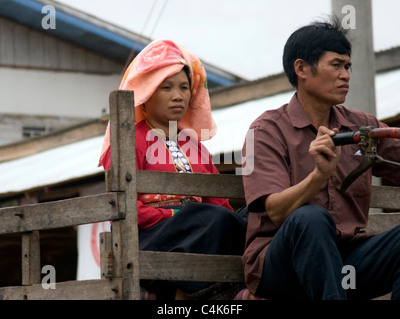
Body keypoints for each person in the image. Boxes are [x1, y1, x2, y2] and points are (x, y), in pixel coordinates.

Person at [240, 16, 400, 300]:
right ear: (301, 68)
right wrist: (318, 177)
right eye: (336, 65)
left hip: (346, 265)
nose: (346, 75)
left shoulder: (363, 127)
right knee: (311, 219)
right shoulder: (265, 131)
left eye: (348, 66)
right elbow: (276, 212)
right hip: (280, 266)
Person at [98, 39, 247, 300]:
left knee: (248, 219)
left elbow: (221, 205)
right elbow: (123, 209)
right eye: (166, 87)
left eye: (184, 87)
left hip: (200, 231)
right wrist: (177, 215)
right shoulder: (128, 141)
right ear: (147, 94)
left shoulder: (196, 147)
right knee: (211, 219)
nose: (178, 95)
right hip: (149, 240)